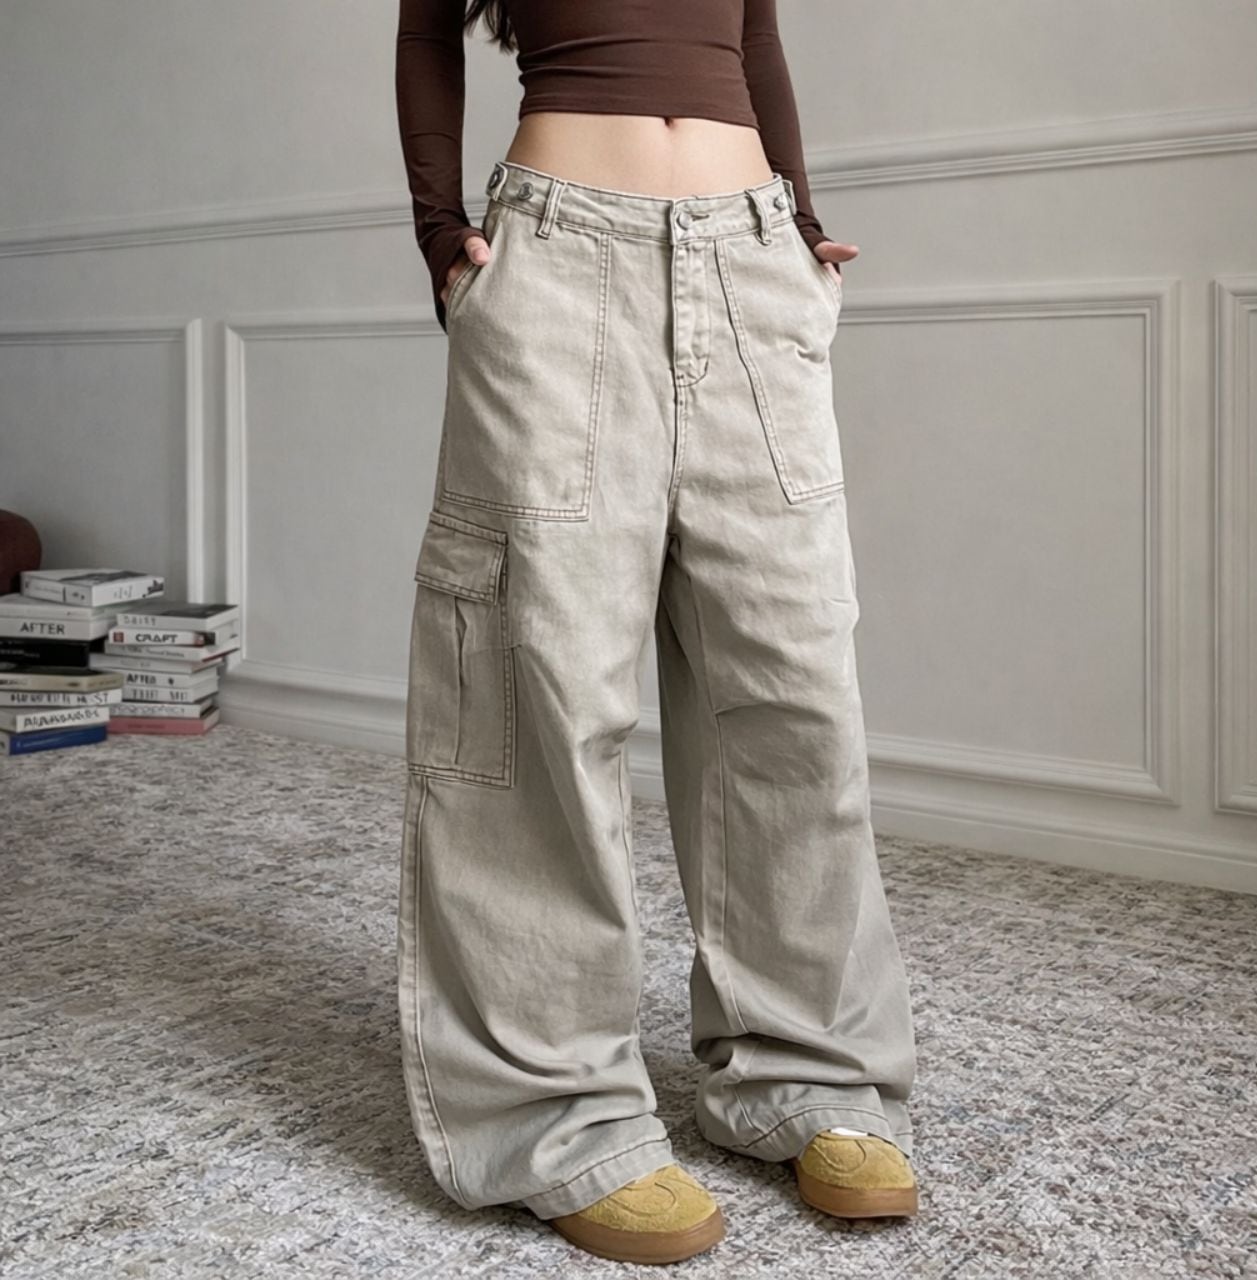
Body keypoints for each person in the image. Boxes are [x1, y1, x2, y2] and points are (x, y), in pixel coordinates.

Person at [394, 0, 919, 1264]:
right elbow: (423, 30)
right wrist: (438, 232)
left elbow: (754, 37)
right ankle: (554, 1110)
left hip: (750, 258)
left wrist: (797, 220)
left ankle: (806, 1072)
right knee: (543, 684)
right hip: (559, 257)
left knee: (792, 686)